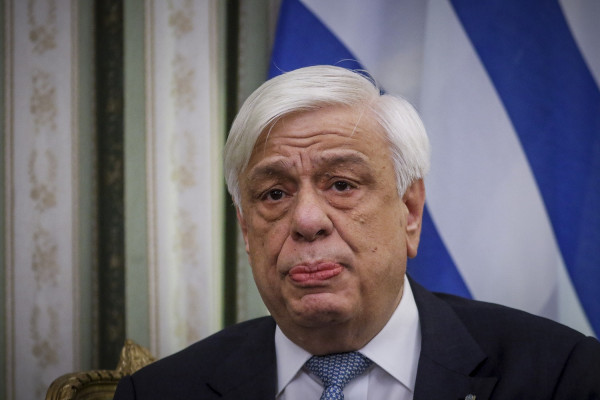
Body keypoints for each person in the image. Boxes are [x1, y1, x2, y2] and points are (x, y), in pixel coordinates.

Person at [114, 65, 600, 399]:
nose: (307, 221)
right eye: (274, 194)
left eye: (342, 185)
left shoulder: (560, 375)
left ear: (410, 211)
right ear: (246, 230)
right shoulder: (160, 392)